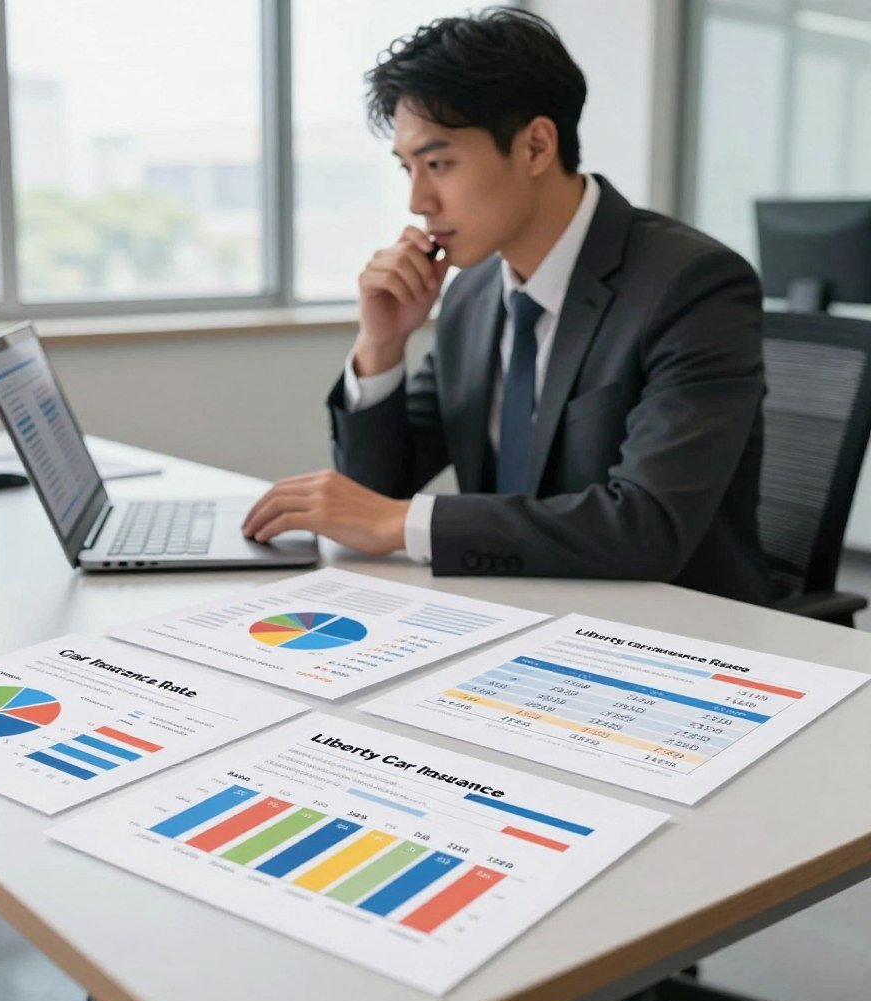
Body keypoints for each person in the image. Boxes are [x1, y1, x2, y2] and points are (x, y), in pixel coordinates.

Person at [242, 6, 772, 605]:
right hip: (511, 609)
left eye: (439, 164)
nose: (418, 201)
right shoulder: (473, 291)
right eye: (407, 169)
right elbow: (373, 493)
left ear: (536, 146)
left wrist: (403, 523)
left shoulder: (692, 285)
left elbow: (646, 526)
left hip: (674, 632)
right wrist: (381, 344)